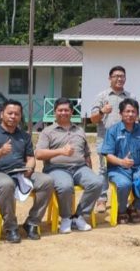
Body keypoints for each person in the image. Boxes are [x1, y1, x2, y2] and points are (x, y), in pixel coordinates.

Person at [0, 100, 54, 243]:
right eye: (10, 113)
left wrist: (30, 168)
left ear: (20, 117)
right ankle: (11, 227)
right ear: (2, 114)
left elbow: (31, 157)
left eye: (17, 114)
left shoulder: (24, 136)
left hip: (20, 172)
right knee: (6, 184)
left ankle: (32, 223)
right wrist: (0, 152)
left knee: (47, 181)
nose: (13, 116)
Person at [35, 98, 105, 233]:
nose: (63, 113)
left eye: (66, 110)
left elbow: (86, 154)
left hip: (80, 168)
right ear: (55, 112)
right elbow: (38, 154)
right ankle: (66, 217)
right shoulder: (47, 131)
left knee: (96, 182)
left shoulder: (79, 130)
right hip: (56, 168)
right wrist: (60, 151)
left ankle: (79, 216)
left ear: (72, 112)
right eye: (60, 110)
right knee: (65, 186)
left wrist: (88, 170)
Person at [99, 98, 140, 225]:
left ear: (137, 114)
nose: (130, 114)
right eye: (127, 111)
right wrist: (121, 162)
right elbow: (107, 154)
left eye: (133, 112)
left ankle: (134, 207)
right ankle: (122, 210)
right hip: (117, 169)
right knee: (124, 184)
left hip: (138, 167)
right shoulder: (113, 130)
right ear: (121, 114)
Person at [89, 65, 132, 213]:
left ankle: (123, 199)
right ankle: (101, 199)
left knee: (123, 168)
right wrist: (102, 111)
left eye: (122, 76)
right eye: (116, 76)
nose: (119, 79)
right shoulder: (102, 96)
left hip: (124, 140)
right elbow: (93, 119)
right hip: (105, 139)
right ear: (110, 78)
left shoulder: (129, 97)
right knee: (103, 169)